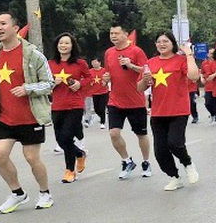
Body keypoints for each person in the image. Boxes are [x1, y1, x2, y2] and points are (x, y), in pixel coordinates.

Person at [0, 14, 55, 213]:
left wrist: (28, 88)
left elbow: (50, 83)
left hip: (30, 116)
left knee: (31, 158)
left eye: (3, 24)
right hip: (5, 117)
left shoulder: (32, 54)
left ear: (15, 28)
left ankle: (45, 193)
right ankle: (18, 193)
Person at [141, 32, 201, 190]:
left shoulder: (181, 60)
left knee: (174, 143)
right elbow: (140, 88)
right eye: (158, 41)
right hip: (158, 112)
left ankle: (187, 163)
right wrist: (144, 80)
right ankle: (174, 177)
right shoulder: (151, 62)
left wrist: (188, 54)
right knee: (160, 151)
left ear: (172, 43)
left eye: (165, 41)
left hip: (178, 110)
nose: (162, 44)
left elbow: (194, 76)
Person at [103, 23, 153, 179]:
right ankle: (126, 160)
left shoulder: (136, 51)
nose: (113, 36)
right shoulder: (109, 53)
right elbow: (108, 72)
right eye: (111, 33)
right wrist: (106, 78)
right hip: (115, 100)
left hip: (135, 100)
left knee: (141, 134)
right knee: (113, 133)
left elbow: (147, 70)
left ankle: (146, 162)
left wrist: (131, 65)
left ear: (125, 34)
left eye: (117, 33)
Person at [48, 33, 91, 184]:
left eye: (67, 43)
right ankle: (79, 153)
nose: (63, 46)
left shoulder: (80, 63)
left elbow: (89, 78)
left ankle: (69, 171)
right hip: (57, 105)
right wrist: (53, 82)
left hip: (75, 105)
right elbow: (44, 82)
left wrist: (80, 84)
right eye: (61, 43)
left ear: (72, 46)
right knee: (60, 140)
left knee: (66, 136)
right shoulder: (50, 63)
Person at [85, 57, 109, 129]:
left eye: (96, 62)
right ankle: (100, 116)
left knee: (102, 107)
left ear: (99, 63)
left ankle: (102, 122)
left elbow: (109, 78)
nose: (94, 64)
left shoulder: (104, 70)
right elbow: (87, 79)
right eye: (93, 62)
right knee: (96, 109)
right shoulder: (90, 71)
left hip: (104, 92)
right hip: (94, 93)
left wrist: (106, 82)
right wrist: (90, 83)